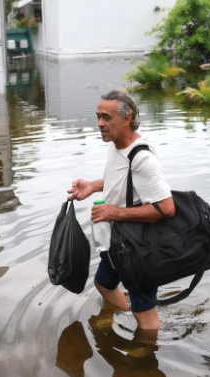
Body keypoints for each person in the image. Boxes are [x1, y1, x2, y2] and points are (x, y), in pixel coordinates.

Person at [67, 90, 175, 330]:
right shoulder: (116, 145)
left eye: (106, 118)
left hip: (139, 248)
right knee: (103, 284)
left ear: (127, 119)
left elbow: (166, 207)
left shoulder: (142, 158)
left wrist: (114, 213)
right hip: (117, 240)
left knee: (145, 314)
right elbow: (124, 180)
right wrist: (93, 186)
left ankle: (146, 357)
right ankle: (123, 317)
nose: (100, 124)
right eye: (98, 117)